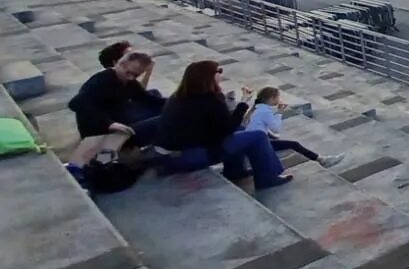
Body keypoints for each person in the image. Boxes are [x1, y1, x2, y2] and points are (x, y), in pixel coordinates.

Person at [159, 60, 291, 189]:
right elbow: (227, 129)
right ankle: (268, 178)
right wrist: (243, 103)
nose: (221, 74)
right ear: (208, 77)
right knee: (259, 136)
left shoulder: (179, 97)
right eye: (219, 71)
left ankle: (235, 171)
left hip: (175, 154)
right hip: (193, 155)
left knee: (241, 130)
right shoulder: (211, 100)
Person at [70, 49, 164, 146]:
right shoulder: (102, 80)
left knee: (156, 99)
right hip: (102, 131)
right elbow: (76, 103)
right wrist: (109, 124)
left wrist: (174, 102)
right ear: (121, 64)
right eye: (129, 73)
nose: (131, 78)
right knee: (160, 120)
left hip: (118, 117)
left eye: (136, 75)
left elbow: (145, 98)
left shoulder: (128, 81)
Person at [243, 88, 343, 168]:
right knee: (294, 144)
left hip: (251, 141)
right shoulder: (265, 111)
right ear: (271, 99)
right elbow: (276, 128)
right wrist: (280, 112)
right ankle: (322, 160)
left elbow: (258, 126)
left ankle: (322, 159)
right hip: (257, 145)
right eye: (278, 97)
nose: (279, 99)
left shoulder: (257, 108)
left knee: (279, 140)